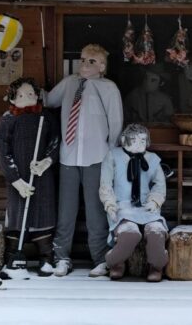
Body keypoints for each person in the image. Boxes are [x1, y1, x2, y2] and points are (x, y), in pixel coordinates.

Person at [45, 44, 123, 277]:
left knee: (95, 210)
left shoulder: (108, 88)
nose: (85, 64)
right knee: (66, 210)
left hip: (96, 157)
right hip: (69, 156)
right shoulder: (69, 83)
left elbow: (116, 122)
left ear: (102, 66)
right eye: (82, 59)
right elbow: (49, 101)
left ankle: (100, 257)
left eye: (91, 61)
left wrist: (110, 153)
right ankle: (61, 257)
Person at [0, 77, 59, 276]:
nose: (27, 97)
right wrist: (15, 180)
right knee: (18, 213)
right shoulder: (8, 120)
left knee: (44, 211)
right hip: (19, 176)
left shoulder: (45, 118)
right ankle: (13, 256)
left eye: (31, 94)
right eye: (22, 95)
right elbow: (3, 152)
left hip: (42, 176)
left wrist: (46, 161)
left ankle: (46, 258)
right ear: (13, 98)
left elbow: (55, 141)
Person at [99, 124, 169, 282]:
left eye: (143, 140)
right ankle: (115, 262)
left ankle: (156, 265)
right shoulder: (113, 156)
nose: (140, 143)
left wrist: (155, 201)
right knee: (129, 233)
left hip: (146, 206)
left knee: (156, 232)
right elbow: (106, 184)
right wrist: (109, 204)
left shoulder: (152, 159)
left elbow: (159, 184)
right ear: (124, 140)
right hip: (122, 206)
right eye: (134, 140)